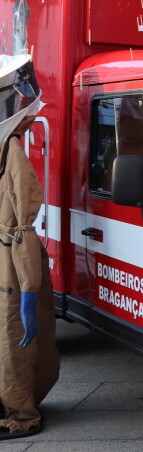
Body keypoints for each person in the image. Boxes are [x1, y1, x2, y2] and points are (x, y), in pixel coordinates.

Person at [0, 55, 59, 440]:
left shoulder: (12, 152)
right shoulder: (11, 151)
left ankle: (22, 416)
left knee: (13, 341)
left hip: (12, 264)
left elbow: (21, 228)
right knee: (11, 340)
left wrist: (28, 290)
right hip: (11, 263)